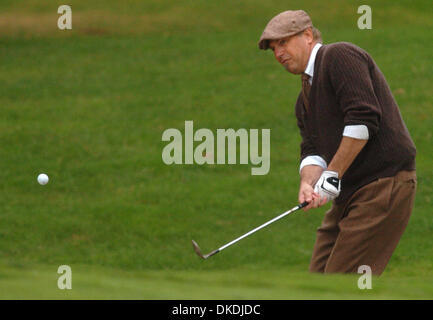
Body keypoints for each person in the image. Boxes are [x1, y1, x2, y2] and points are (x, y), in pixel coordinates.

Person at [258, 10, 417, 275]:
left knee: (338, 284)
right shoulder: (304, 100)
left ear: (308, 35)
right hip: (349, 195)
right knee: (318, 281)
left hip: (383, 184)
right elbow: (312, 151)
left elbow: (364, 120)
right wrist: (308, 183)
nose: (278, 54)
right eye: (274, 48)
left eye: (283, 42)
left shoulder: (338, 55)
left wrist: (332, 175)